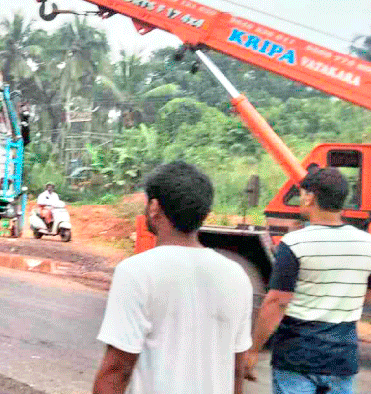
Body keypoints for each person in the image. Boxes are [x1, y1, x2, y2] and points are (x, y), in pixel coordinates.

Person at [92, 161, 253, 394]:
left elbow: (117, 370)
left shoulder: (137, 271)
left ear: (154, 207)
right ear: (205, 213)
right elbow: (236, 371)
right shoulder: (237, 276)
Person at [244, 167, 371, 393]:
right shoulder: (370, 244)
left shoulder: (295, 243)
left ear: (310, 197)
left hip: (297, 359)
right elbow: (368, 297)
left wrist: (253, 350)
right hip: (342, 360)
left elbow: (276, 302)